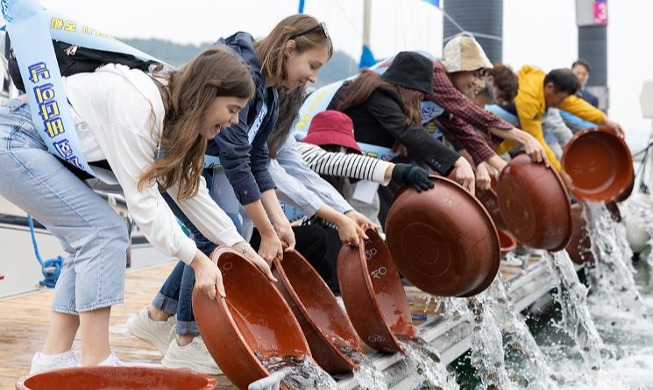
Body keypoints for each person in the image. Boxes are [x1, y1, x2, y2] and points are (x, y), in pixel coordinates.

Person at [0, 46, 276, 374]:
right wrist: (198, 260)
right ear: (208, 93)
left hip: (24, 142)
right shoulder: (140, 106)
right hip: (16, 138)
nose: (233, 122)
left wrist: (242, 248)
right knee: (103, 232)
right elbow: (144, 205)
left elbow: (190, 194)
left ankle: (52, 360)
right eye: (232, 109)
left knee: (87, 240)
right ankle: (96, 361)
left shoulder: (168, 115)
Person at [127, 14, 334, 375]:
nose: (313, 77)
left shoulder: (270, 92)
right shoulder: (244, 75)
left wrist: (278, 221)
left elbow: (257, 156)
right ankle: (188, 341)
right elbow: (236, 159)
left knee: (226, 228)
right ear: (289, 49)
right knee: (217, 235)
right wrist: (266, 232)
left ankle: (157, 315)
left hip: (204, 166)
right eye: (312, 65)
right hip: (179, 158)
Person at [325, 51, 473, 225]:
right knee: (363, 227)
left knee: (369, 221)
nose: (419, 103)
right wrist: (457, 161)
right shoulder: (379, 94)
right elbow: (407, 131)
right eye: (419, 96)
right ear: (409, 88)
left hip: (364, 172)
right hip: (343, 168)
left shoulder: (376, 91)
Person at [426, 34, 549, 186]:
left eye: (481, 77)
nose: (479, 83)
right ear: (456, 69)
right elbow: (473, 113)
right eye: (475, 75)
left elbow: (468, 136)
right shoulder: (434, 71)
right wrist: (526, 138)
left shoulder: (446, 100)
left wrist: (503, 170)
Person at [494, 66, 624, 172]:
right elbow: (537, 140)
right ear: (550, 88)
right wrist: (560, 172)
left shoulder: (545, 87)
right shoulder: (529, 99)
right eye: (561, 99)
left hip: (506, 139)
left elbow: (574, 104)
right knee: (502, 173)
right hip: (491, 137)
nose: (561, 103)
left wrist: (606, 121)